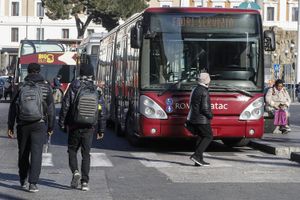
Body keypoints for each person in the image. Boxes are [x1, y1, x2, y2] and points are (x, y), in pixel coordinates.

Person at [7, 63, 55, 192]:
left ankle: (23, 179)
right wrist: (51, 126)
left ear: (28, 72)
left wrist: (10, 125)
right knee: (36, 153)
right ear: (39, 72)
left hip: (22, 124)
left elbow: (13, 107)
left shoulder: (21, 86)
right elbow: (51, 109)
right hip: (39, 124)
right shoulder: (46, 87)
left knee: (23, 152)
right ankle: (33, 183)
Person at [58, 64, 105, 191]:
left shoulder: (73, 86)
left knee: (72, 151)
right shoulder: (96, 89)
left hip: (74, 125)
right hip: (89, 127)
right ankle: (85, 182)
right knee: (86, 154)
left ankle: (75, 172)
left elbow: (65, 106)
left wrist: (62, 123)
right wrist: (101, 129)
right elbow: (101, 110)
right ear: (92, 75)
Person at [186, 72, 213, 166]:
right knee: (208, 136)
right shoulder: (204, 91)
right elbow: (204, 108)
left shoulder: (195, 89)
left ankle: (198, 160)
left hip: (194, 118)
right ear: (207, 80)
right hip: (202, 119)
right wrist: (210, 115)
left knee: (201, 137)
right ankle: (196, 156)